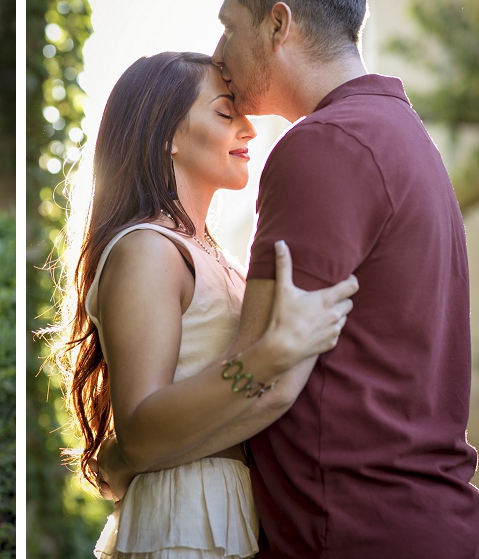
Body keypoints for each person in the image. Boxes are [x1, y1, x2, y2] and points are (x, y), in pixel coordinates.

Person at [103, 0, 479, 558]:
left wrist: (124, 459)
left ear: (278, 24)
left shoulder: (324, 146)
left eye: (228, 26)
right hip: (417, 517)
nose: (219, 52)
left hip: (354, 529)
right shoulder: (405, 137)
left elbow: (270, 378)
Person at [52, 50, 358, 558]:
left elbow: (138, 447)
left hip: (230, 509)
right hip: (184, 519)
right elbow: (142, 426)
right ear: (166, 134)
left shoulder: (211, 254)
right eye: (225, 112)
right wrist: (266, 357)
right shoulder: (146, 249)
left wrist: (123, 460)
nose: (250, 130)